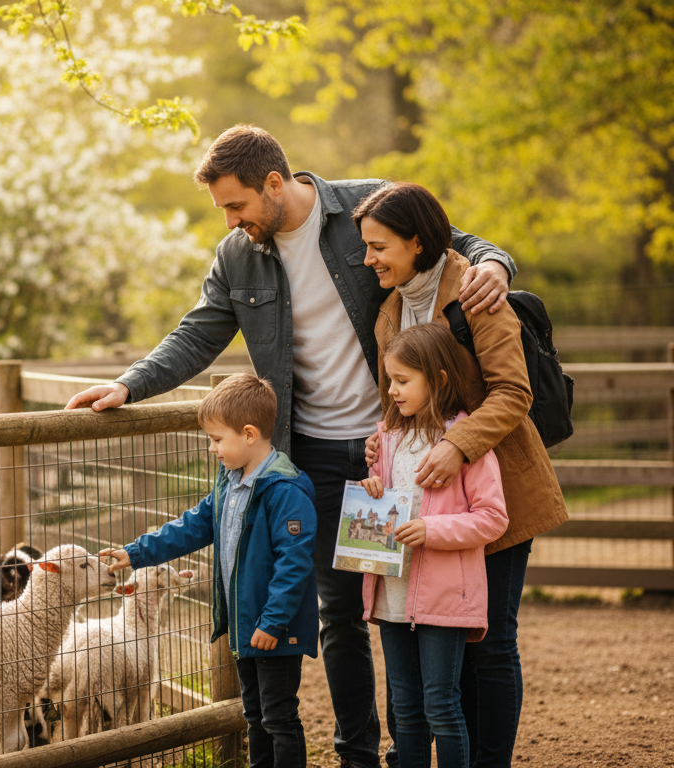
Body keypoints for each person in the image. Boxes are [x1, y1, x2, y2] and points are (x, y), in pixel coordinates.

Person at [68, 125, 517, 768]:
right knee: (340, 612)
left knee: (405, 602)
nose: (230, 220)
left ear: (273, 183)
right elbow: (197, 334)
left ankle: (407, 746)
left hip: (386, 455)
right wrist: (128, 384)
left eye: (236, 205)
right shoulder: (237, 255)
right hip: (307, 455)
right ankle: (359, 751)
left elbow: (457, 240)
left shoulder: (361, 209)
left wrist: (497, 262)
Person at [353, 181, 568, 768]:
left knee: (491, 642)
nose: (368, 259)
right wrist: (383, 445)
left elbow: (513, 392)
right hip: (422, 503)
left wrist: (456, 446)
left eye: (378, 246)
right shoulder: (389, 312)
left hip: (494, 487)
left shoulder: (476, 291)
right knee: (436, 643)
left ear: (417, 241)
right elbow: (394, 397)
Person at [98, 372, 318, 768]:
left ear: (249, 434)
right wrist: (135, 553)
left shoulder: (285, 491)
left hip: (273, 629)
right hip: (244, 623)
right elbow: (191, 527)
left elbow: (295, 563)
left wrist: (273, 622)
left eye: (217, 439)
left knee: (280, 717)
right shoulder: (229, 483)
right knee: (254, 714)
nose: (212, 448)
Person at [360, 322, 509, 768]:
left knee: (441, 706)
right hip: (391, 594)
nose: (393, 390)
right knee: (405, 712)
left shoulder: (466, 444)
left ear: (439, 379)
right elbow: (387, 499)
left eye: (403, 381)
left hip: (444, 598)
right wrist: (372, 488)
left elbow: (493, 518)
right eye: (390, 380)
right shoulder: (386, 437)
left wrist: (431, 530)